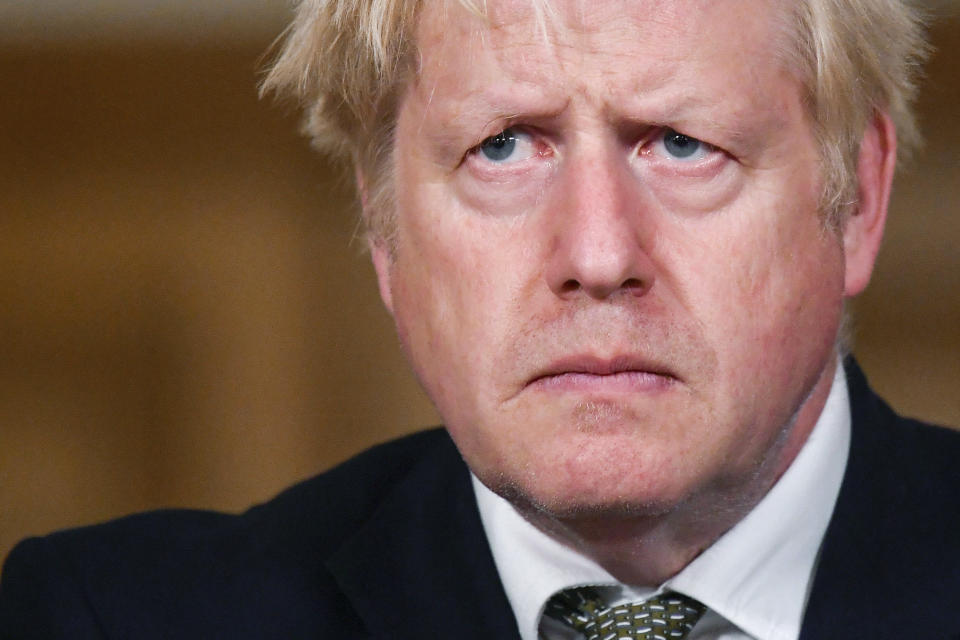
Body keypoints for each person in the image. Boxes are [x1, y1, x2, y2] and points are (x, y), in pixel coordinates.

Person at [1, 0, 958, 638]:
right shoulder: (108, 619)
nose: (596, 255)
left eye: (680, 144)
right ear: (382, 223)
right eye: (501, 148)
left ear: (860, 196)